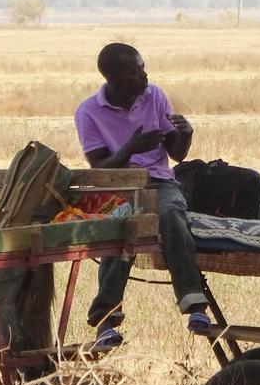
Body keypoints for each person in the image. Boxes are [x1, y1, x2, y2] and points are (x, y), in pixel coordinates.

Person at [75, 42, 211, 349]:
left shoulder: (155, 96)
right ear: (113, 77)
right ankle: (106, 321)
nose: (144, 75)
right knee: (117, 229)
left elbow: (176, 154)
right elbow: (99, 168)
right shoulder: (88, 111)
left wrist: (186, 133)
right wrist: (130, 149)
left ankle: (193, 304)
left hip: (159, 182)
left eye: (143, 66)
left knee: (172, 216)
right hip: (118, 186)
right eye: (135, 71)